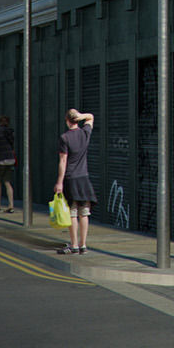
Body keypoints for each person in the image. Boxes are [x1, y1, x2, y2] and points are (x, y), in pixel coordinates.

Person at [55, 108, 97, 254]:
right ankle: (83, 245)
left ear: (67, 121)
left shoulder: (64, 138)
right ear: (77, 120)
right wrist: (82, 116)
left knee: (72, 213)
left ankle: (74, 245)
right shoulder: (85, 133)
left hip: (70, 179)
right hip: (84, 178)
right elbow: (91, 117)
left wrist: (59, 182)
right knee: (84, 213)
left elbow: (63, 161)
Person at [0, 115, 16, 212]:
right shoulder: (11, 132)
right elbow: (12, 144)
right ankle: (11, 205)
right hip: (10, 159)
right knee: (7, 182)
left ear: (0, 123)